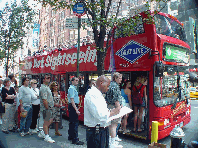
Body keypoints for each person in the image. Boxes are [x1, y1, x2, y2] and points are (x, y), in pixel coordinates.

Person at [84, 75, 121, 148]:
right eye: (107, 85)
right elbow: (100, 115)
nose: (108, 88)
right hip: (96, 132)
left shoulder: (98, 94)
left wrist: (111, 111)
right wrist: (114, 112)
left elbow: (102, 111)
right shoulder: (92, 94)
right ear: (101, 83)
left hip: (101, 130)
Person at [105, 72, 123, 147]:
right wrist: (118, 107)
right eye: (119, 78)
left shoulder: (110, 84)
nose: (121, 80)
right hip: (114, 107)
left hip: (110, 106)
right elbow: (116, 99)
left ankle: (110, 140)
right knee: (114, 125)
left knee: (111, 125)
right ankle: (112, 143)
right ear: (115, 78)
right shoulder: (115, 86)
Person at [38, 74, 55, 143]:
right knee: (46, 121)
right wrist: (47, 108)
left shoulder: (46, 87)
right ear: (43, 80)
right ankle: (46, 136)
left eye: (49, 78)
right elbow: (44, 99)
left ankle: (43, 132)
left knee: (50, 120)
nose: (49, 79)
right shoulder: (43, 88)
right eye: (47, 78)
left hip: (49, 107)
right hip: (47, 108)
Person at [67, 77, 84, 145]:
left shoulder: (72, 88)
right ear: (72, 81)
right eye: (76, 80)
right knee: (75, 123)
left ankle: (71, 136)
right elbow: (72, 100)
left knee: (72, 122)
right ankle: (75, 139)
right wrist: (76, 109)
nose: (77, 81)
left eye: (78, 80)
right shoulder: (71, 88)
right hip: (73, 106)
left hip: (72, 106)